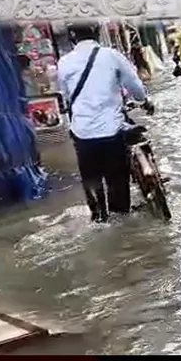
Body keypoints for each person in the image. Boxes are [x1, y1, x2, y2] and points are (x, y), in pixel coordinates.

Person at [57, 23, 153, 223]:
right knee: (117, 180)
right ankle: (121, 221)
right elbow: (135, 86)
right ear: (97, 33)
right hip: (111, 131)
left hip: (82, 133)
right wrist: (144, 100)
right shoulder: (112, 56)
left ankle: (99, 217)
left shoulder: (64, 62)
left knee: (91, 177)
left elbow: (65, 96)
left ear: (72, 37)